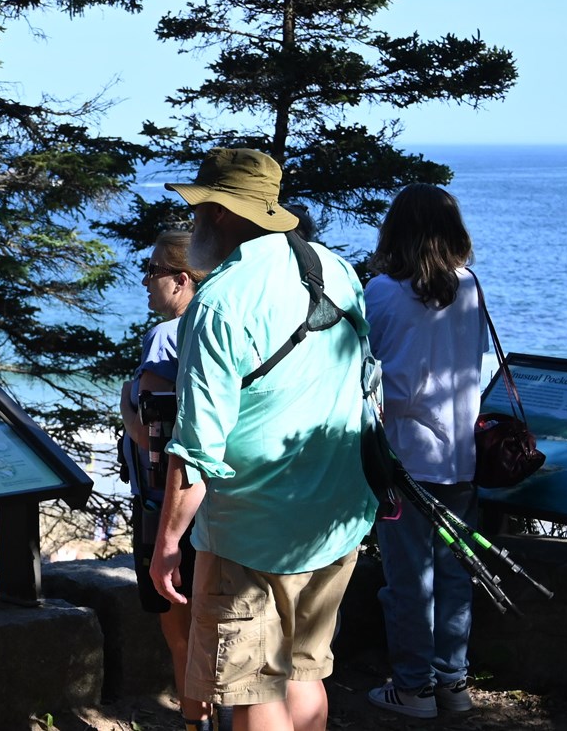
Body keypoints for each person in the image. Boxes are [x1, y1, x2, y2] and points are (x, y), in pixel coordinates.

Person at [152, 148, 374, 731]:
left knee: (252, 692)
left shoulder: (221, 300)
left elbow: (198, 445)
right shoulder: (334, 269)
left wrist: (168, 541)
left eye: (201, 210)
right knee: (305, 675)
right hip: (335, 513)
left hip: (252, 528)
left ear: (220, 214)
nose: (196, 223)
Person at [363, 185, 487, 719]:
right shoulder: (470, 286)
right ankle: (452, 684)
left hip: (403, 459)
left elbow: (363, 369)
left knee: (410, 578)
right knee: (455, 574)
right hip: (461, 453)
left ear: (397, 230)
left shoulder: (382, 292)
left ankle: (413, 688)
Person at [117, 230, 213, 731]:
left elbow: (156, 439)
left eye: (152, 271)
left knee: (181, 633)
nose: (146, 282)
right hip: (214, 501)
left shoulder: (165, 336)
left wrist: (123, 407)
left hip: (163, 503)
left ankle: (194, 720)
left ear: (181, 279)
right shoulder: (216, 325)